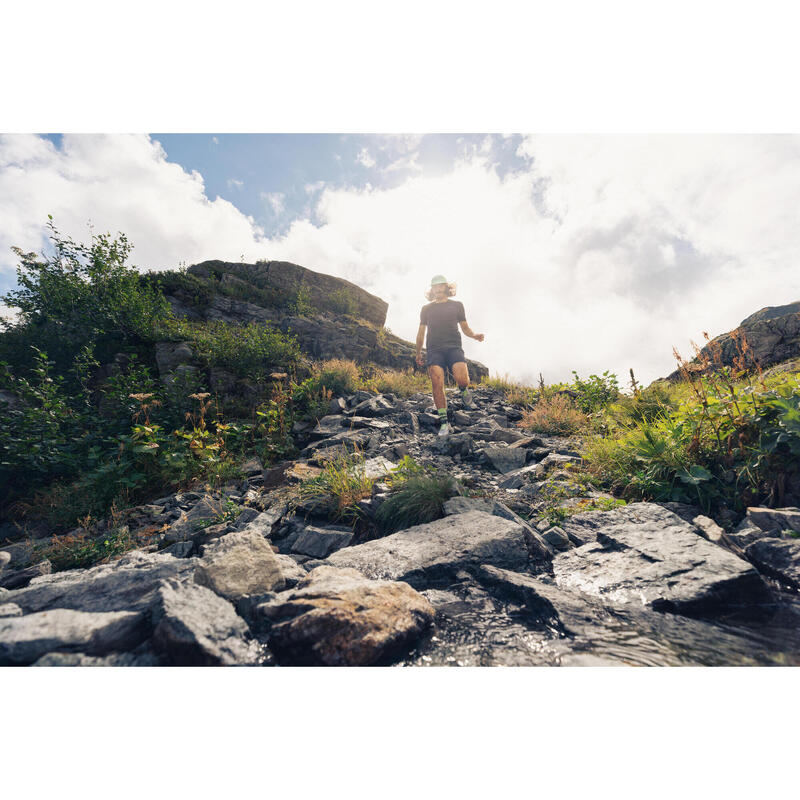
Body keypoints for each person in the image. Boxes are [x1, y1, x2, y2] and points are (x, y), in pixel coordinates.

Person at [416, 274, 485, 436]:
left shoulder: (457, 305)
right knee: (436, 380)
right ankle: (444, 423)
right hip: (434, 349)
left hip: (453, 347)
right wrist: (418, 352)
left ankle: (464, 392)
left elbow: (465, 328)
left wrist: (474, 335)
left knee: (462, 378)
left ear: (447, 288)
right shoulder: (426, 309)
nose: (438, 289)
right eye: (435, 287)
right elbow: (420, 333)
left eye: (441, 286)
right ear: (431, 290)